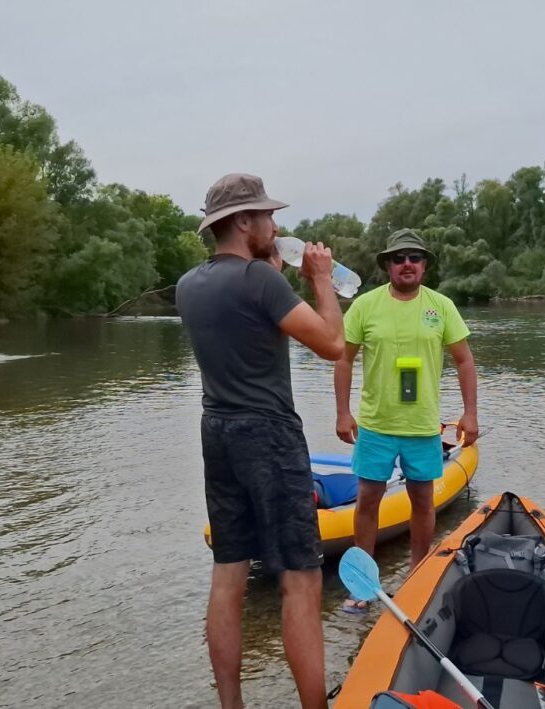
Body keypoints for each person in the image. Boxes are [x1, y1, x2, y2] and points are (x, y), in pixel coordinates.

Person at [175, 173, 344, 709]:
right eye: (267, 216)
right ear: (244, 222)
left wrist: (271, 272)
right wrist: (320, 278)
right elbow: (333, 345)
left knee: (229, 573)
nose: (276, 224)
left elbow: (248, 326)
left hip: (217, 431)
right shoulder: (262, 283)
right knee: (300, 577)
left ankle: (231, 705)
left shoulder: (190, 285)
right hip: (267, 434)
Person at [334, 229, 478, 612]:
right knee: (367, 501)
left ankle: (417, 575)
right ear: (388, 266)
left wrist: (470, 412)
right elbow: (343, 359)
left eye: (414, 257)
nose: (407, 264)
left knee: (422, 501)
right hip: (376, 425)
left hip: (421, 426)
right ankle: (363, 584)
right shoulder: (364, 306)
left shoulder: (441, 306)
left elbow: (464, 360)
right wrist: (343, 411)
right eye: (399, 258)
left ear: (425, 265)